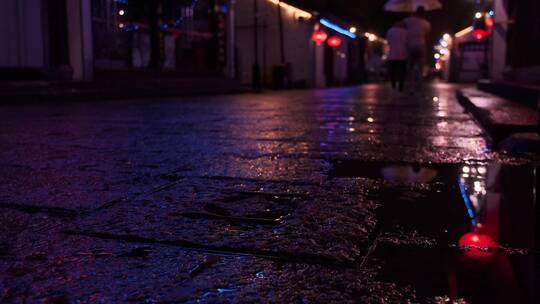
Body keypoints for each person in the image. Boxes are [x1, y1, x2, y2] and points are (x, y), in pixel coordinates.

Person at [403, 6, 431, 90]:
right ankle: (419, 86)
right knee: (420, 67)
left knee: (410, 67)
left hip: (409, 45)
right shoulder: (427, 23)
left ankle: (410, 85)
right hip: (421, 46)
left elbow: (402, 30)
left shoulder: (406, 21)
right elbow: (427, 38)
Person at [385, 21, 408, 92]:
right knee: (402, 72)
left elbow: (388, 42)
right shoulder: (405, 32)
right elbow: (408, 42)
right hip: (403, 55)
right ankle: (401, 86)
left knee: (392, 71)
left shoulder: (390, 31)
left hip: (392, 55)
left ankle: (393, 85)